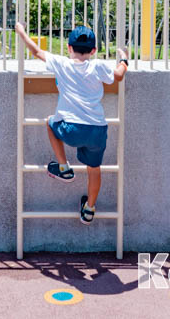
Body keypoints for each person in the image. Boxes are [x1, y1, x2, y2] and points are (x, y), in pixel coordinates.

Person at [14, 23, 128, 224]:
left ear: (68, 48)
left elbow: (36, 51)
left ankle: (64, 168)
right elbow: (118, 75)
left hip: (71, 129)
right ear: (93, 50)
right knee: (94, 169)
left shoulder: (61, 63)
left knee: (50, 123)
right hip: (97, 130)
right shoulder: (98, 65)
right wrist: (124, 58)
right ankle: (89, 208)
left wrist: (21, 31)